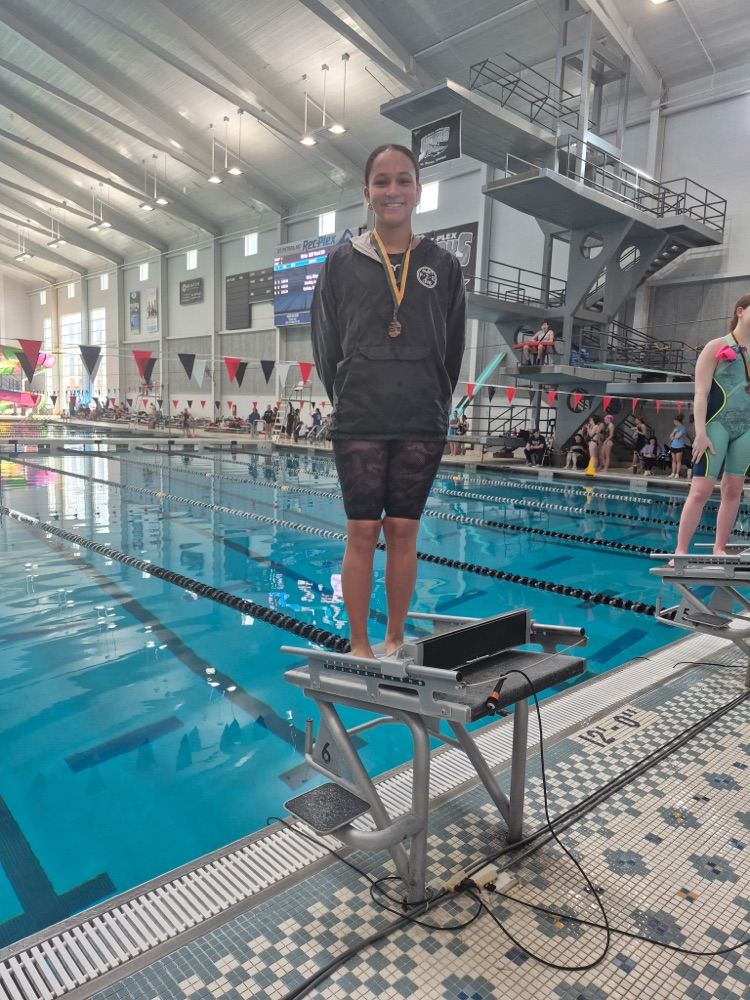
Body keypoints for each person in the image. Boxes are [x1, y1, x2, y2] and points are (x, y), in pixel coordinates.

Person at [311, 142, 466, 659]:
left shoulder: (442, 265)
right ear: (367, 193)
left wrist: (437, 398)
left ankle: (395, 638)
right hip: (361, 412)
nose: (393, 190)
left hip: (421, 414)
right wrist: (350, 389)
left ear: (418, 192)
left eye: (403, 180)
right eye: (382, 181)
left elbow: (454, 345)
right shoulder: (340, 263)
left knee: (403, 531)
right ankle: (359, 644)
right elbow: (326, 343)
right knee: (361, 531)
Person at [673, 293, 750, 557]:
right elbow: (701, 393)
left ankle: (720, 547)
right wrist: (701, 433)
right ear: (740, 311)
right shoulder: (716, 346)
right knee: (700, 491)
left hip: (747, 429)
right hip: (717, 425)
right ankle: (681, 550)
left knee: (733, 489)